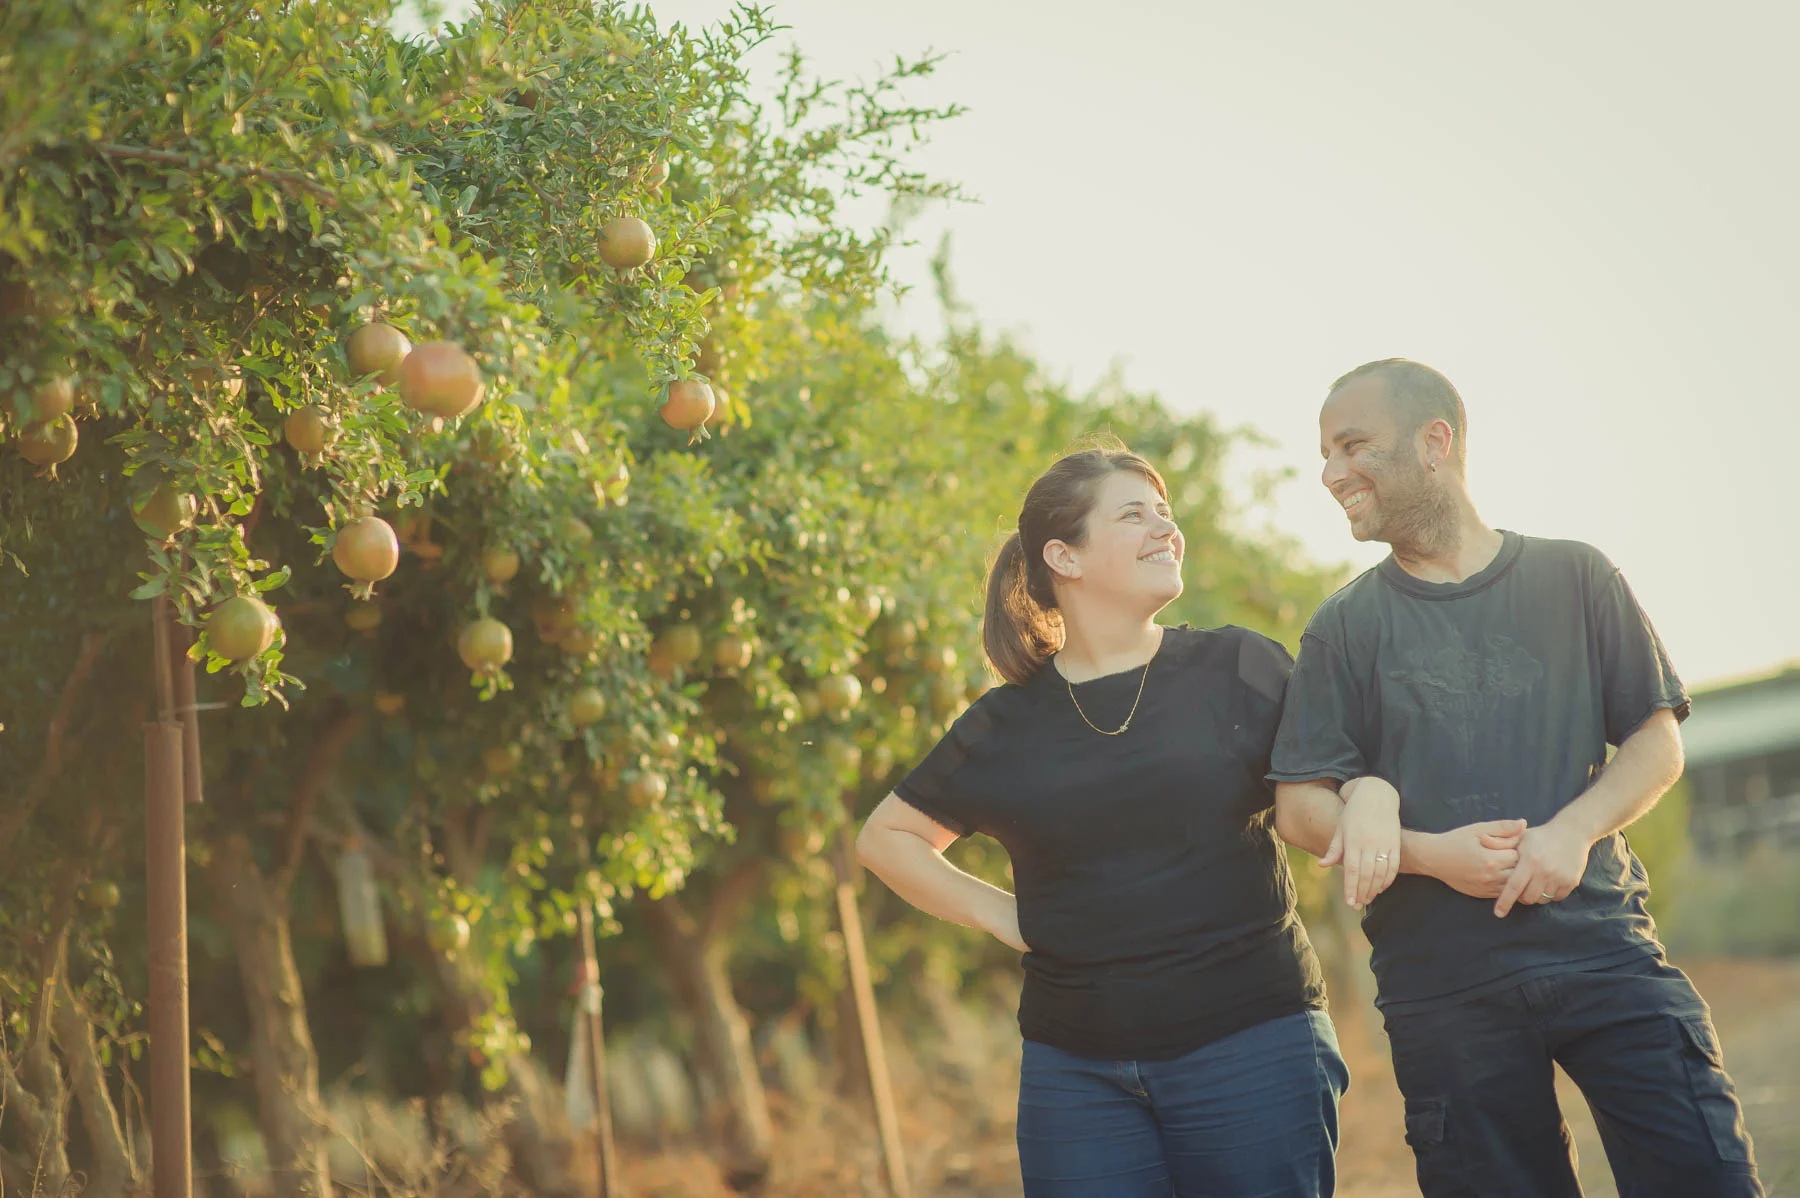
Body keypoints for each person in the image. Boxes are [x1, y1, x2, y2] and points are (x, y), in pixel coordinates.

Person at [1270, 359, 1763, 1198]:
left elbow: (1656, 742)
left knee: (1704, 1175)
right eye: (1324, 454)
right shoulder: (1343, 628)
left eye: (1352, 446)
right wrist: (1430, 855)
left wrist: (1573, 831)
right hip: (1443, 991)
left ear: (1435, 442)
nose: (1330, 473)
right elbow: (1299, 807)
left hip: (1605, 953)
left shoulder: (1575, 576)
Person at [856, 443, 1368, 1198]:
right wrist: (1005, 916)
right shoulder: (1005, 725)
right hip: (1077, 1074)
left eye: (1165, 512)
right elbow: (886, 839)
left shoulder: (1236, 669)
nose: (1166, 528)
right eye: (1135, 514)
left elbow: (1341, 775)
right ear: (1064, 556)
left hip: (1253, 1047)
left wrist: (1373, 796)